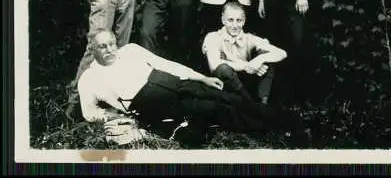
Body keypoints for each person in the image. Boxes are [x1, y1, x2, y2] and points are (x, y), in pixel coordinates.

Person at [78, 30, 310, 147]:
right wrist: (113, 114)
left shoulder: (129, 50)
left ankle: (291, 122)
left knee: (228, 98)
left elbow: (166, 64)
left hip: (172, 81)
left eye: (111, 43)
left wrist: (202, 79)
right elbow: (90, 112)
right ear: (93, 49)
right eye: (102, 46)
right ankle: (271, 129)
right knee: (217, 109)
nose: (110, 49)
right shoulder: (90, 78)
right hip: (152, 102)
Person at [202, 2, 287, 105]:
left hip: (243, 82)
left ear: (244, 21)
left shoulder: (248, 38)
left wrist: (259, 60)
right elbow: (214, 65)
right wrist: (247, 66)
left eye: (239, 21)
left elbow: (282, 53)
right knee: (223, 68)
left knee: (267, 60)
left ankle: (263, 103)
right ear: (223, 20)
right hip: (222, 84)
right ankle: (251, 106)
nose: (235, 25)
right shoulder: (213, 37)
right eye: (230, 20)